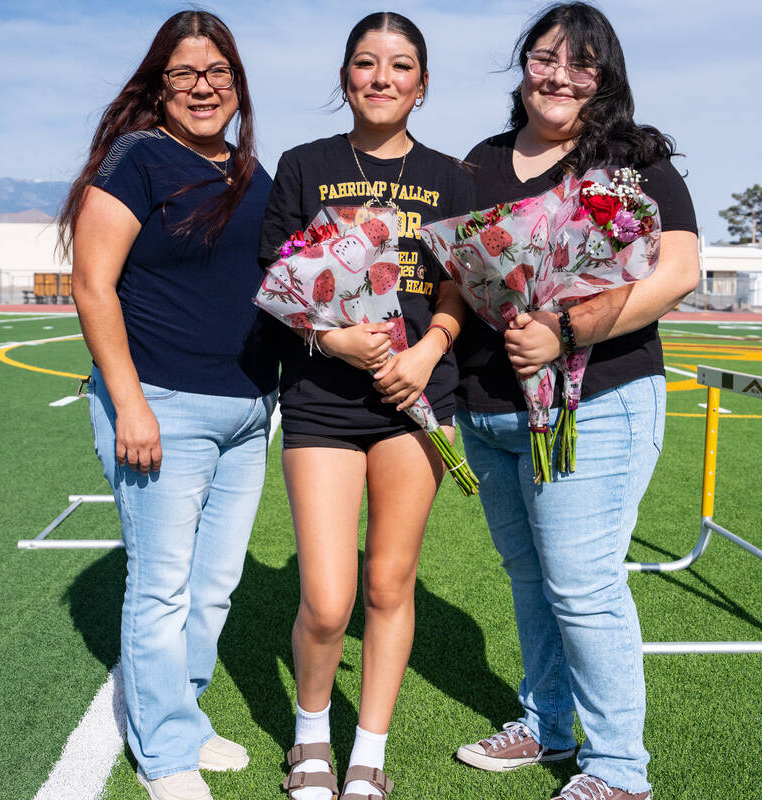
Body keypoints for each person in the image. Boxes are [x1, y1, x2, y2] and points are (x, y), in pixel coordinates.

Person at [450, 4, 699, 799]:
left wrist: (564, 327)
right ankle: (549, 724)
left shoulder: (633, 162)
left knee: (583, 585)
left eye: (581, 65)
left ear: (606, 76)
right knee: (532, 578)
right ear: (522, 65)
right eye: (544, 59)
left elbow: (677, 271)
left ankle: (620, 771)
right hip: (491, 409)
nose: (559, 77)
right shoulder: (481, 160)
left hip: (598, 399)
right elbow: (458, 275)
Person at [58, 11, 277, 800]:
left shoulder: (256, 174)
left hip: (250, 411)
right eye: (184, 74)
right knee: (162, 586)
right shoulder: (139, 158)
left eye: (218, 72)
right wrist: (129, 403)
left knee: (213, 585)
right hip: (160, 404)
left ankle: (182, 714)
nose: (203, 88)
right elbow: (93, 284)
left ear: (238, 84)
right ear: (159, 84)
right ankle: (165, 757)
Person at [258, 12, 473, 800]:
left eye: (400, 65)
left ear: (422, 82)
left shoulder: (453, 178)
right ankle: (310, 735)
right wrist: (333, 337)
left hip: (416, 401)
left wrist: (428, 348)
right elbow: (277, 277)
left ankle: (368, 752)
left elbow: (462, 283)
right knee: (326, 597)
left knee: (389, 584)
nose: (382, 78)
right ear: (344, 76)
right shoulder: (303, 165)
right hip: (321, 398)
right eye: (366, 63)